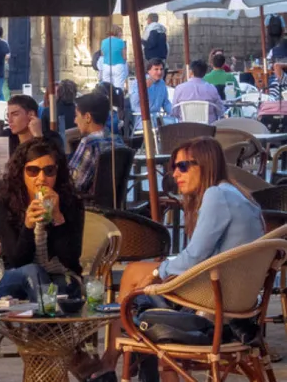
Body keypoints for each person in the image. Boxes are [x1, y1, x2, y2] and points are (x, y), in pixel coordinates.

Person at [108, 137, 264, 378]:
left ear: (206, 164)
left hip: (214, 304)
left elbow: (193, 258)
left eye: (183, 166)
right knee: (145, 292)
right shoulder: (238, 195)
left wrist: (157, 273)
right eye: (173, 167)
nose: (175, 174)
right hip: (237, 304)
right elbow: (202, 257)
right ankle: (133, 362)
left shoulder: (216, 195)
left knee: (134, 276)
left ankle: (112, 359)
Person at [0, 138, 84, 301]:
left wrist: (58, 218)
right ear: (21, 172)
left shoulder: (71, 202)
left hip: (57, 275)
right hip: (14, 278)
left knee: (63, 287)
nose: (41, 178)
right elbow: (16, 261)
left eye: (49, 171)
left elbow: (71, 259)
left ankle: (44, 323)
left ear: (58, 172)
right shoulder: (5, 202)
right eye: (33, 171)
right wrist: (28, 226)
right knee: (34, 272)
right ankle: (47, 324)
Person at [69, 93, 128, 197]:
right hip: (115, 202)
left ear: (87, 117)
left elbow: (75, 183)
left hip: (89, 207)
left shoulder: (89, 143)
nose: (75, 120)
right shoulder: (118, 140)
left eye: (76, 115)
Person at [129, 59, 173, 132]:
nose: (159, 72)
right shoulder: (139, 82)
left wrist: (174, 113)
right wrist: (144, 88)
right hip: (143, 120)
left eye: (161, 69)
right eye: (156, 69)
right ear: (149, 71)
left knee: (176, 123)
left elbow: (166, 103)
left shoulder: (162, 83)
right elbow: (134, 105)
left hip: (158, 119)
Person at [97, 26, 128, 90]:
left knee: (107, 87)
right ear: (117, 32)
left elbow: (103, 55)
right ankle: (118, 99)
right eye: (121, 32)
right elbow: (124, 57)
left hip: (106, 66)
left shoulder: (103, 42)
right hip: (118, 66)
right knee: (119, 87)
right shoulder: (121, 42)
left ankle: (108, 99)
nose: (121, 34)